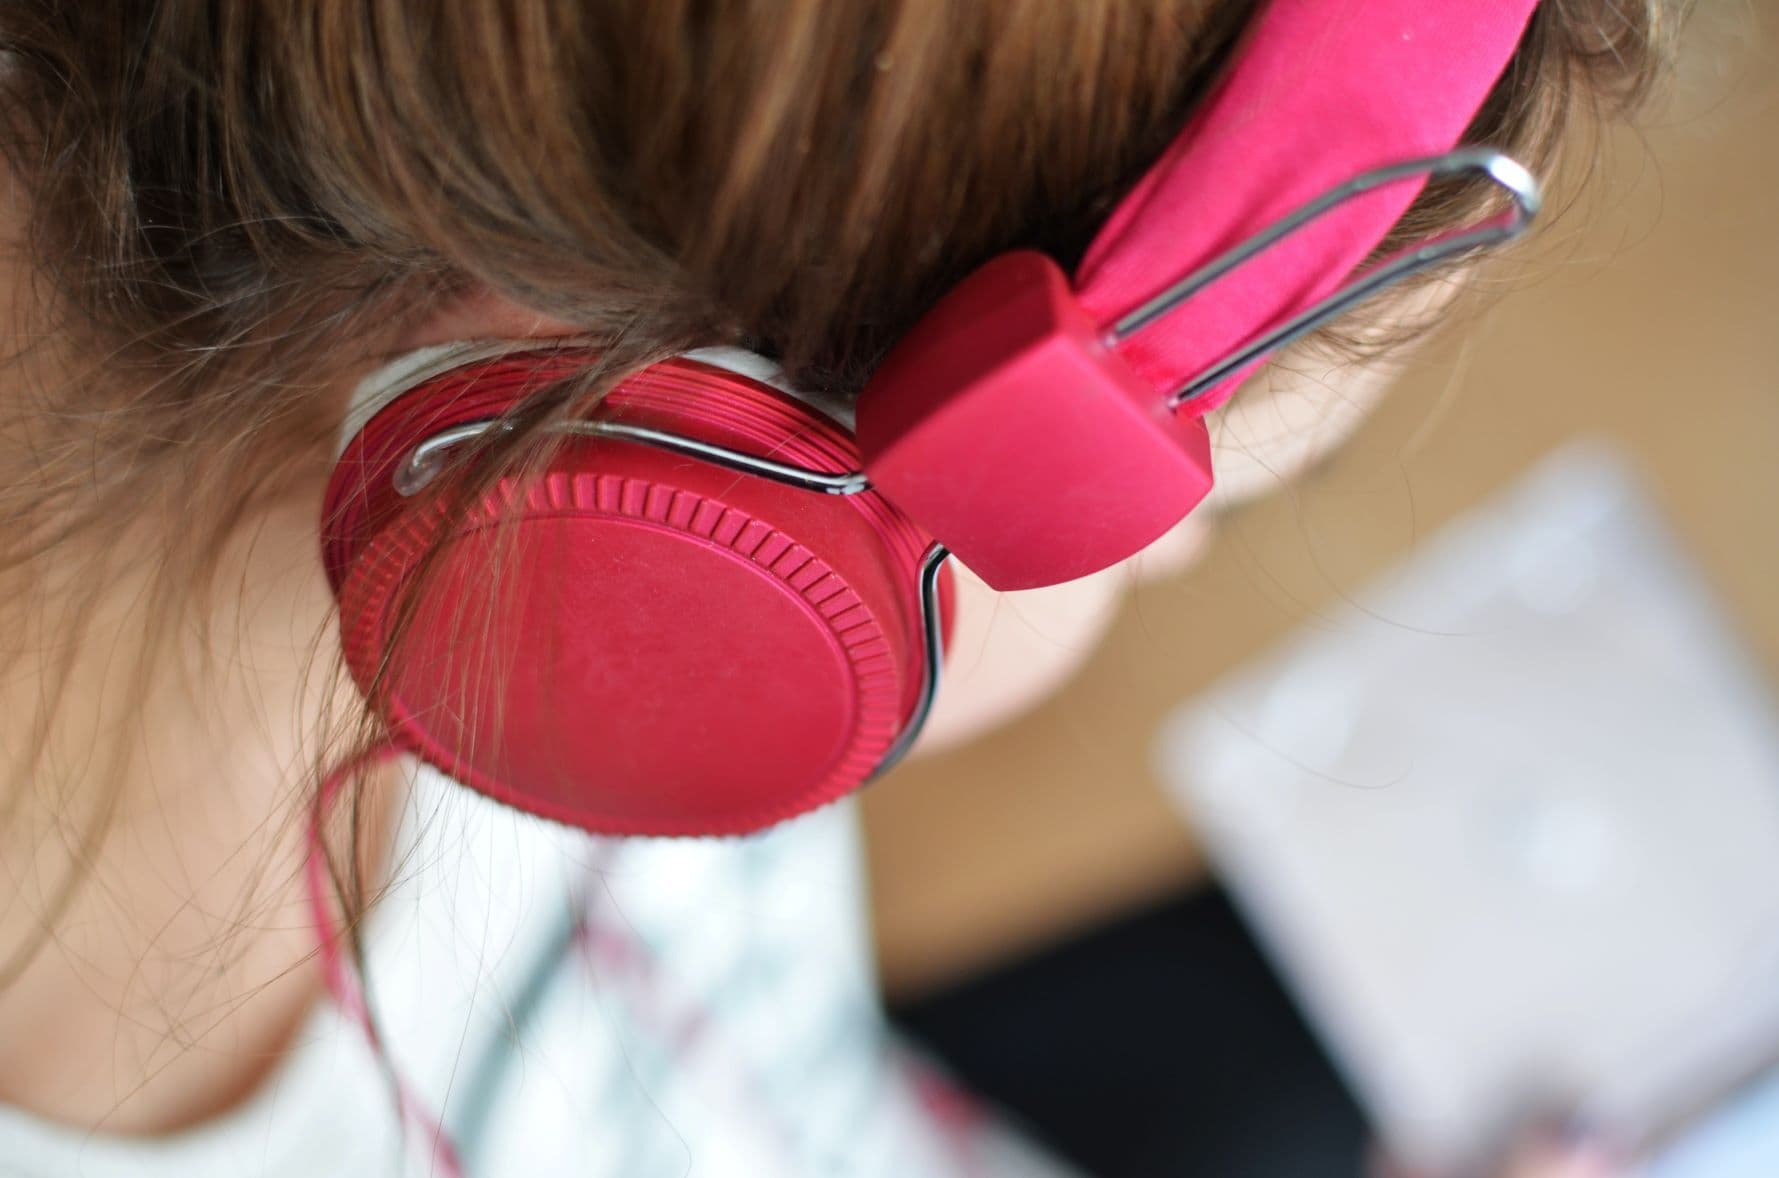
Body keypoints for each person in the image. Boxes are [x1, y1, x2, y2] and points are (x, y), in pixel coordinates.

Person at [0, 2, 1679, 1176]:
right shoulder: (685, 616)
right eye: (1183, 517)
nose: (1162, 568)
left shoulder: (643, 470)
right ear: (677, 489)